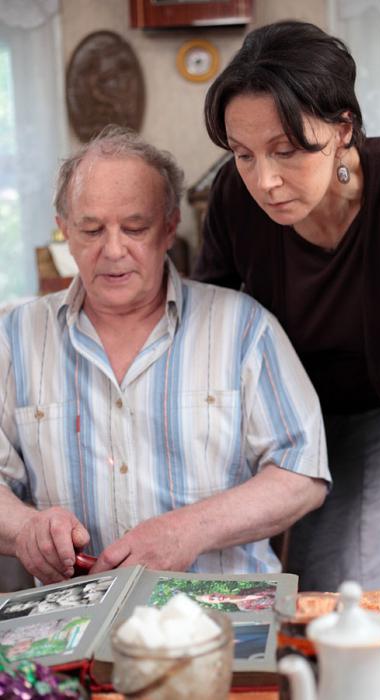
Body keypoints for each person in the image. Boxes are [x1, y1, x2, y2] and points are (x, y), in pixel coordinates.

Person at [193, 20, 380, 591]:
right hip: (273, 414)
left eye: (286, 150)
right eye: (243, 154)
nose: (264, 181)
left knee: (339, 582)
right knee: (247, 590)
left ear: (343, 128)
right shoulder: (231, 197)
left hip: (372, 408)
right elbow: (206, 336)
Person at [0, 126, 330, 586]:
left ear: (170, 228)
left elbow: (303, 472)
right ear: (64, 232)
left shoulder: (242, 328)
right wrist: (24, 530)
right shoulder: (14, 338)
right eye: (91, 229)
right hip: (76, 628)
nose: (113, 251)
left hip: (224, 620)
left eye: (135, 228)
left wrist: (189, 531)